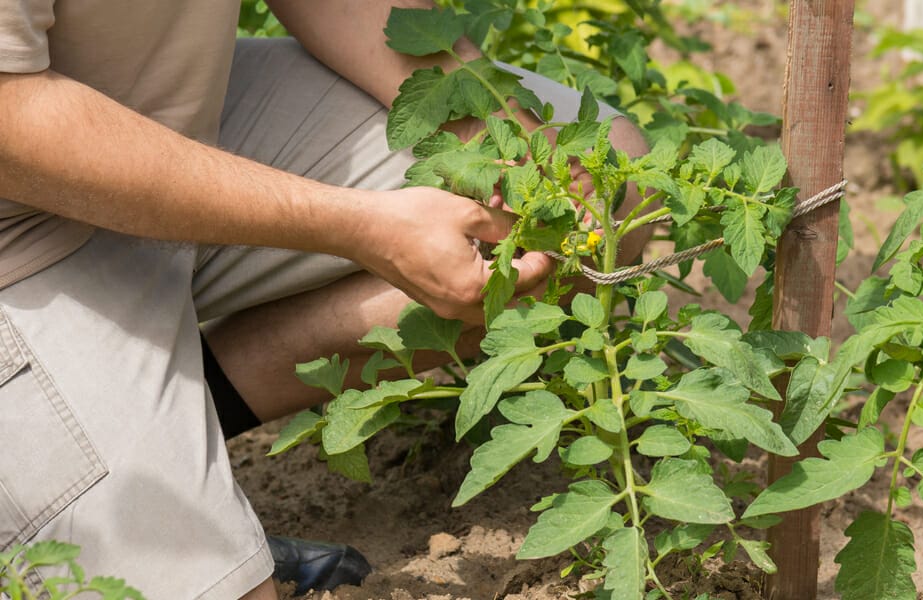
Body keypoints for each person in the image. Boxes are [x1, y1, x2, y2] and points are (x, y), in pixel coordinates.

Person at [0, 1, 647, 598]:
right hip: (17, 239)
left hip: (167, 113)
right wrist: (358, 225)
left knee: (601, 196)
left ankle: (183, 413)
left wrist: (514, 145)